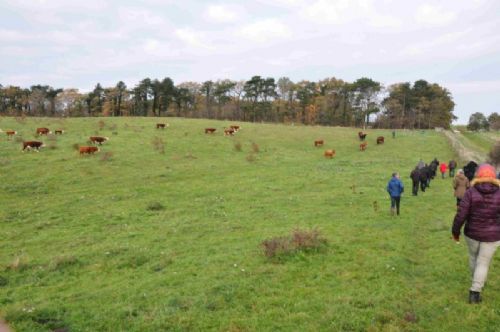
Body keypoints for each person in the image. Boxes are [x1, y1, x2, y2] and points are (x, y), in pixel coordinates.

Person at [451, 164, 500, 304]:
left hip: (472, 233)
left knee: (474, 258)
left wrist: (455, 232)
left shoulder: (471, 192)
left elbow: (461, 214)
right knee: (483, 262)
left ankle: (476, 286)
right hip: (492, 236)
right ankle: (476, 290)